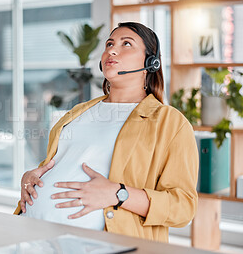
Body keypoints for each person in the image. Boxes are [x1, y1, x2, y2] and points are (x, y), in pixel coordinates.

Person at [14, 22, 199, 243]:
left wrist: (118, 194)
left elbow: (183, 208)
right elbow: (58, 167)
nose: (111, 49)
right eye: (109, 43)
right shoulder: (77, 113)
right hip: (32, 236)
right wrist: (31, 177)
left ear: (150, 62)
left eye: (126, 44)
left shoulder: (170, 122)